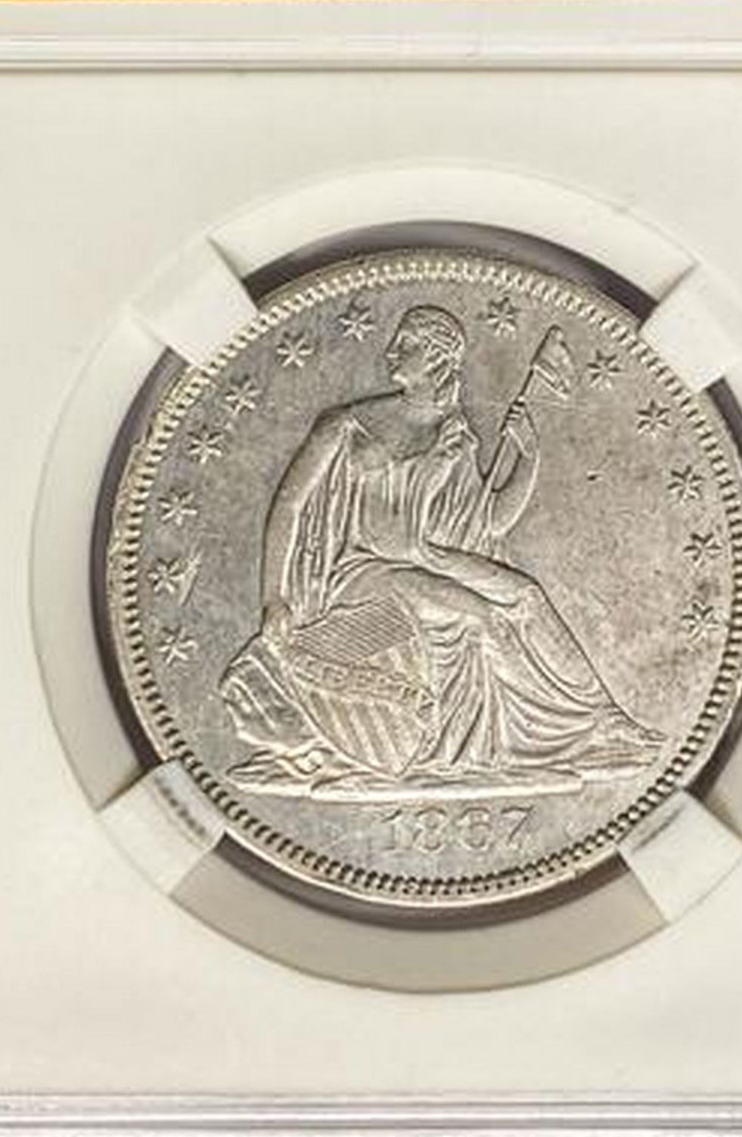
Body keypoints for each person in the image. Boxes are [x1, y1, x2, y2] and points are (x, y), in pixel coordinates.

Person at [220, 305, 663, 794]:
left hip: (426, 559)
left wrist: (528, 457)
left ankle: (603, 720)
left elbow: (488, 521)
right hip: (364, 572)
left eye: (406, 343)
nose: (392, 351)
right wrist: (273, 597)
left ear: (436, 357)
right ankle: (562, 740)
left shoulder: (454, 431)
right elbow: (290, 505)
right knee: (483, 616)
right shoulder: (347, 424)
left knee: (527, 595)